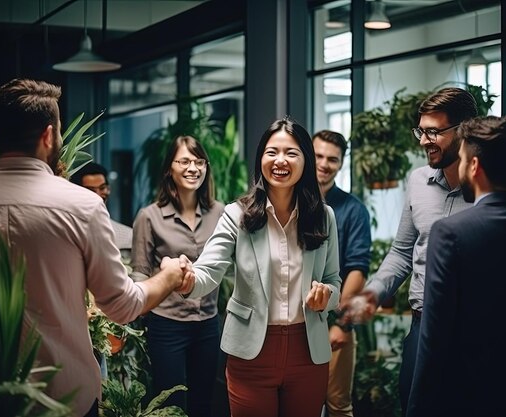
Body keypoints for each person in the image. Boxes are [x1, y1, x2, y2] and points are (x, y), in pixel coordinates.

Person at [0, 78, 190, 417]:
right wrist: (168, 276)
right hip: (64, 399)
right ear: (49, 135)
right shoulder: (81, 206)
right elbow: (123, 306)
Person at [349, 87, 506, 414]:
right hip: (422, 327)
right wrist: (373, 292)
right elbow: (402, 252)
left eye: (434, 132)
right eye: (420, 131)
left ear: (466, 130)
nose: (424, 140)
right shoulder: (417, 181)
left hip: (484, 337)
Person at [175, 117, 341, 417]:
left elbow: (333, 280)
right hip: (251, 352)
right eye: (271, 152)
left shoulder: (323, 216)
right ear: (260, 159)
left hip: (309, 352)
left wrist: (327, 295)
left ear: (305, 159)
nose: (280, 160)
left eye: (291, 153)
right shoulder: (237, 214)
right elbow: (209, 270)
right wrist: (187, 279)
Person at [407, 116, 506, 417]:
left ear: (474, 167)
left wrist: (415, 409)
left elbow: (434, 338)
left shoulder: (450, 233)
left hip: (465, 398)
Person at [131, 135, 225, 417]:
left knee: (203, 404)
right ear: (169, 168)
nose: (192, 168)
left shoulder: (220, 213)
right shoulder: (149, 217)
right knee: (169, 407)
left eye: (199, 161)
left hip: (208, 323)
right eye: (184, 161)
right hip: (167, 324)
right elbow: (140, 272)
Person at [312, 130, 371, 417]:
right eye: (319, 156)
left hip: (335, 323)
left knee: (337, 406)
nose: (324, 164)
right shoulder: (290, 201)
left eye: (332, 159)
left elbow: (358, 269)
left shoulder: (354, 210)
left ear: (341, 163)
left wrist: (340, 322)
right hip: (294, 323)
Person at [70, 162, 133, 258]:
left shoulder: (127, 235)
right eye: (91, 190)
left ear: (108, 189)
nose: (98, 194)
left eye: (102, 188)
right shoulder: (71, 232)